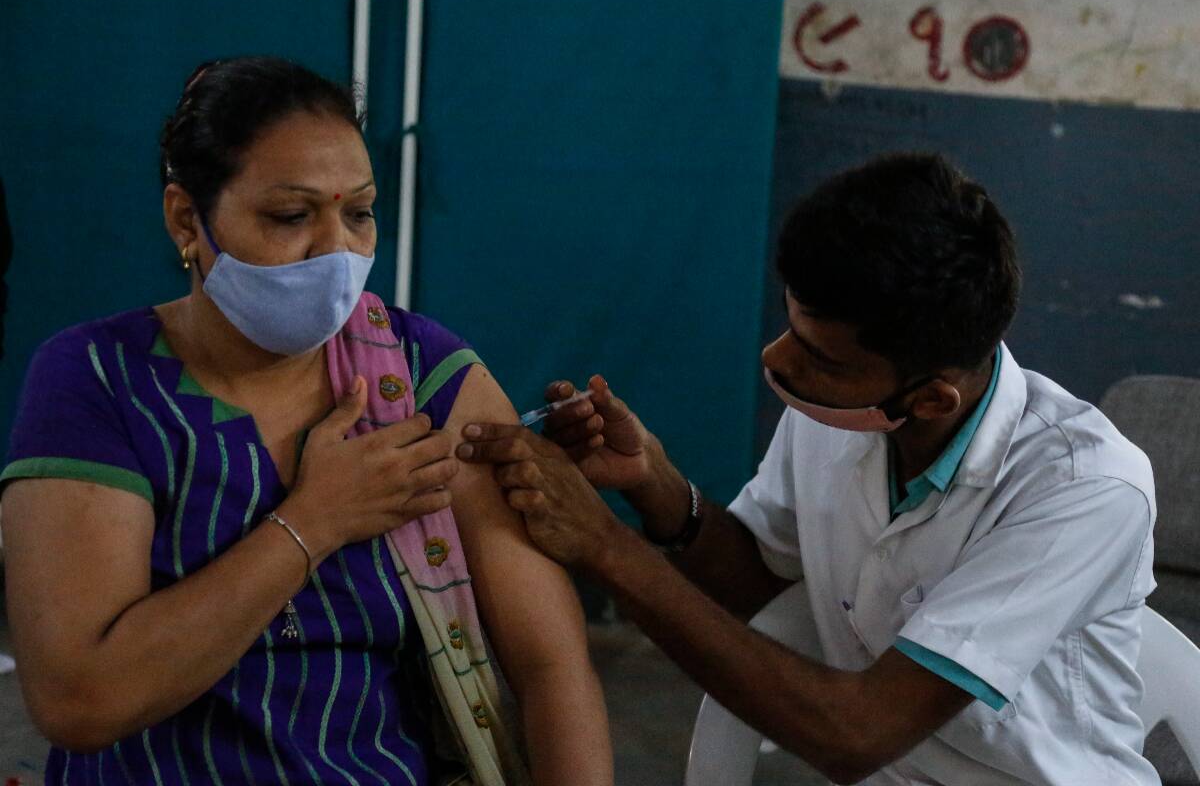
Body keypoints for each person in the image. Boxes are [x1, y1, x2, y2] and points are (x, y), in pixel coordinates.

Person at [0, 57, 612, 786]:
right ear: (187, 219)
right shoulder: (98, 380)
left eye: (359, 213)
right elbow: (80, 700)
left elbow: (550, 667)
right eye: (291, 217)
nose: (336, 253)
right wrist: (313, 522)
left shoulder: (424, 379)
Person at [457, 153, 1160, 785]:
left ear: (931, 399)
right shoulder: (847, 411)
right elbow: (761, 586)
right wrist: (655, 486)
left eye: (820, 356)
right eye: (792, 325)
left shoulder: (1085, 489)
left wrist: (604, 546)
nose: (778, 358)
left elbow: (853, 736)